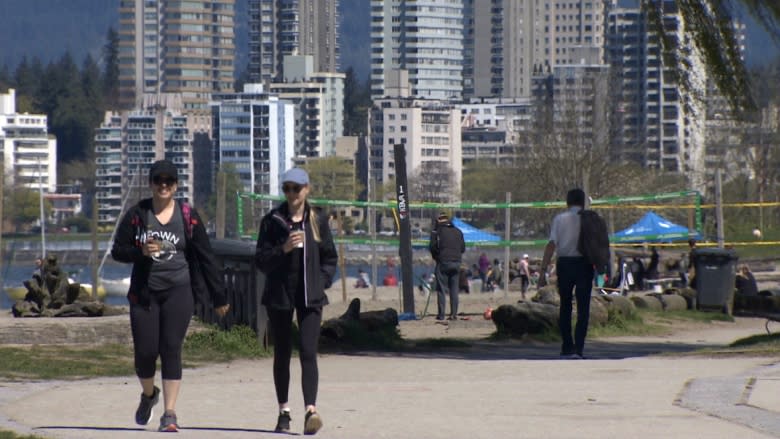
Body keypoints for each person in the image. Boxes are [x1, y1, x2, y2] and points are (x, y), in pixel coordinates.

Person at [111, 159, 229, 432]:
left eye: (169, 181)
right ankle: (149, 395)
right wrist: (139, 251)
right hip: (145, 294)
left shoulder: (188, 215)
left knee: (171, 348)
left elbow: (206, 256)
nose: (163, 186)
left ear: (175, 186)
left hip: (179, 289)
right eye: (158, 181)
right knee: (145, 353)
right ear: (151, 184)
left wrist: (219, 296)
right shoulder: (138, 214)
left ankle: (170, 413)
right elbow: (118, 250)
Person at [255, 167, 337, 435]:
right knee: (281, 353)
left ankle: (311, 410)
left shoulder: (317, 220)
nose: (292, 193)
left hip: (310, 296)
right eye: (287, 188)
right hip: (280, 295)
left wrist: (321, 280)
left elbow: (329, 257)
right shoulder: (272, 221)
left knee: (308, 352)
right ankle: (283, 411)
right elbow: (261, 261)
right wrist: (284, 249)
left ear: (307, 190)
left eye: (297, 188)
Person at [538, 188, 594, 360]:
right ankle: (579, 348)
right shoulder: (590, 219)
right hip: (584, 264)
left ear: (567, 202)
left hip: (565, 264)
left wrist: (543, 269)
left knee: (566, 305)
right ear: (583, 202)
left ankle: (567, 346)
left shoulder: (559, 219)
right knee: (583, 307)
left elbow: (551, 244)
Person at [429, 212, 465, 320]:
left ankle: (441, 315)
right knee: (454, 289)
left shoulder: (437, 232)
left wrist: (437, 258)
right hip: (457, 262)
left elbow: (432, 247)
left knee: (441, 289)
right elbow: (463, 248)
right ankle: (453, 314)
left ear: (438, 221)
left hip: (443, 262)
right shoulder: (458, 231)